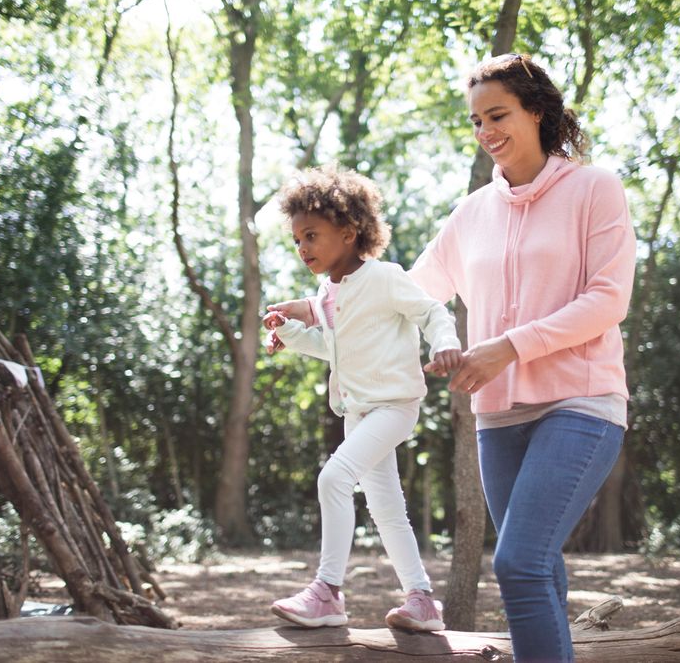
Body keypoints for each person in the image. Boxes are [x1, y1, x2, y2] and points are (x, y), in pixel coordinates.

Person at [268, 54, 636, 662]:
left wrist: (510, 346)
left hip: (581, 401)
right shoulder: (472, 213)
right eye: (475, 121)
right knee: (539, 569)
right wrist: (314, 307)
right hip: (498, 415)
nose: (486, 131)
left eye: (498, 114)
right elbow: (400, 295)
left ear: (537, 112)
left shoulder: (594, 188)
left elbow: (607, 300)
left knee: (517, 563)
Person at [263, 164, 463, 632]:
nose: (302, 248)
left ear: (350, 232)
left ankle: (327, 592)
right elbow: (330, 347)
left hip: (393, 407)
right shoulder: (327, 291)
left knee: (333, 478)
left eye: (311, 235)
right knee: (387, 510)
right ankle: (423, 601)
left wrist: (445, 342)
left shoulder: (385, 277)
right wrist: (291, 333)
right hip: (358, 413)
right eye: (297, 240)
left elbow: (432, 311)